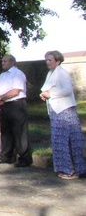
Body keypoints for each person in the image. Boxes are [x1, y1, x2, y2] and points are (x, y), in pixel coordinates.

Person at [39, 50, 86, 179]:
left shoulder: (62, 73)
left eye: (50, 60)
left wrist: (51, 94)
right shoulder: (51, 73)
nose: (47, 62)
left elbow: (67, 90)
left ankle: (71, 170)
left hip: (65, 111)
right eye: (46, 60)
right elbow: (48, 89)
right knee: (60, 141)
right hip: (56, 111)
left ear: (58, 61)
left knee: (66, 141)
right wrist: (44, 94)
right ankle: (67, 169)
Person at [0, 54, 32, 167]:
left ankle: (24, 158)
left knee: (19, 132)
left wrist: (1, 98)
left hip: (16, 104)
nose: (3, 63)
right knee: (5, 131)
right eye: (2, 61)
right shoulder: (3, 75)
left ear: (12, 62)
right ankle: (6, 156)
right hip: (5, 105)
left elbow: (15, 91)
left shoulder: (18, 74)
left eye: (5, 61)